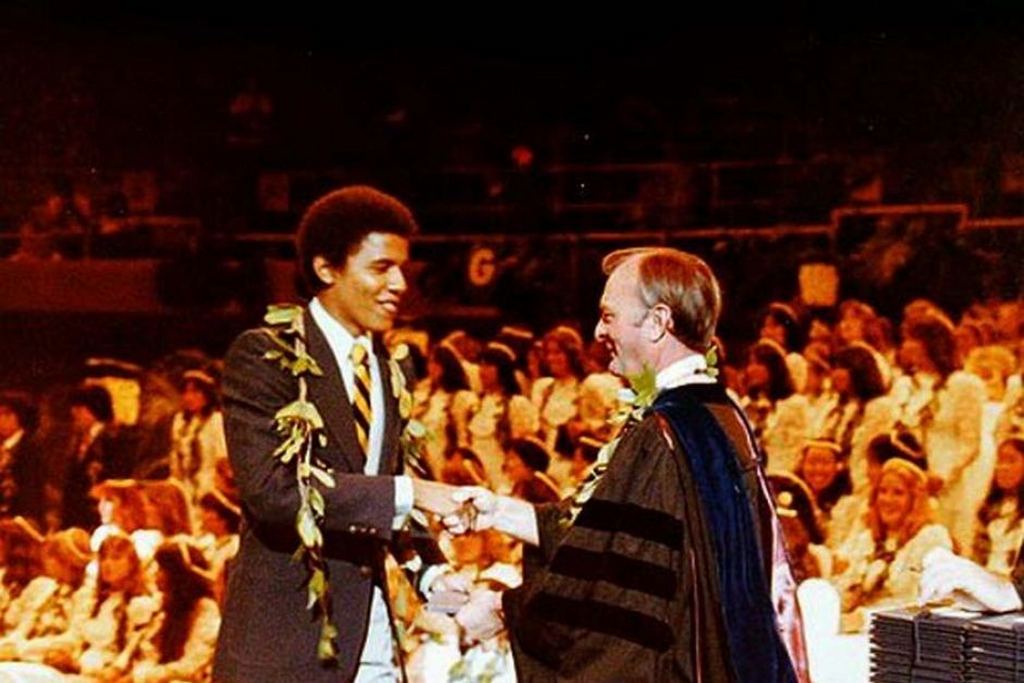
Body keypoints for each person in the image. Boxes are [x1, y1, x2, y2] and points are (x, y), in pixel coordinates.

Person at [446, 247, 807, 682]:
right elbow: (604, 531)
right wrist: (498, 512)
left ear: (657, 322)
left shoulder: (663, 434)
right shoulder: (718, 416)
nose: (598, 330)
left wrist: (508, 610)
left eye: (609, 315)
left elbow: (621, 589)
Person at [212, 185, 458, 682]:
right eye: (380, 267)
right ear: (326, 269)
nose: (400, 285)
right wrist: (414, 493)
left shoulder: (391, 369)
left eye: (402, 268)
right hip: (286, 645)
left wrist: (433, 574)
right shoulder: (265, 356)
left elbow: (385, 487)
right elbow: (275, 492)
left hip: (372, 642)